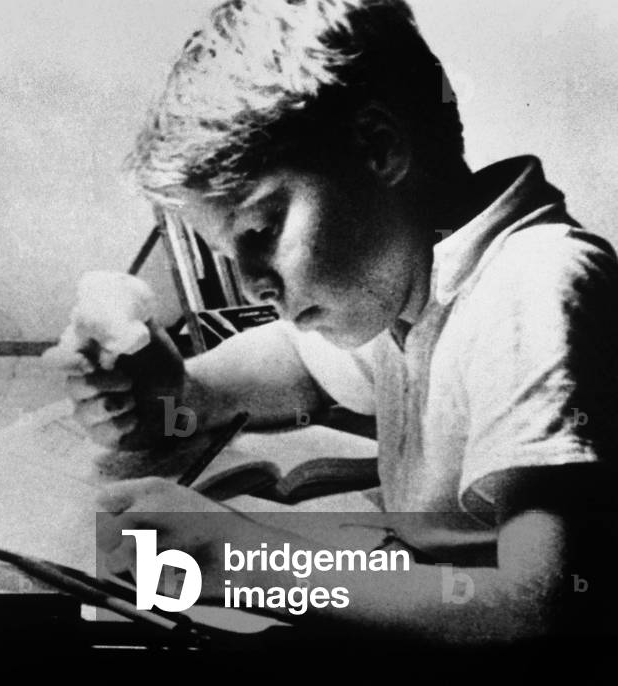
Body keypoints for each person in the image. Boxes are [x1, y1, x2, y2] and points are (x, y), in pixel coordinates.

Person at [47, 0, 618, 641]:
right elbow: (301, 364)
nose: (254, 286)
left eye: (261, 231)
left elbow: (543, 608)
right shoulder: (416, 283)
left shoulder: (533, 287)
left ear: (378, 149)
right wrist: (177, 390)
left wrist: (240, 556)